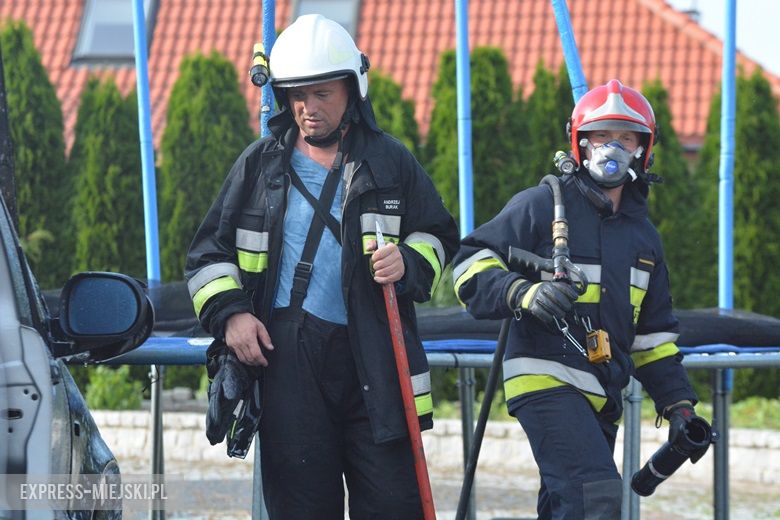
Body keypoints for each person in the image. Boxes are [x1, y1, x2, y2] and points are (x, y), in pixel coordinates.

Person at [185, 14, 459, 519]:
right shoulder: (259, 164)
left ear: (352, 91)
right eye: (298, 95)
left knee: (393, 507)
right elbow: (207, 256)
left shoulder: (390, 161)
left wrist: (410, 261)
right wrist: (232, 316)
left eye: (322, 94)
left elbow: (440, 234)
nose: (308, 109)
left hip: (374, 358)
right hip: (287, 362)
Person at [452, 79, 702, 519]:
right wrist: (521, 292)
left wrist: (678, 406)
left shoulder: (644, 240)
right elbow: (469, 265)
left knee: (567, 507)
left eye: (626, 137)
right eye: (602, 136)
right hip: (544, 379)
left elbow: (653, 339)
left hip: (602, 395)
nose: (613, 147)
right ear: (580, 144)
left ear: (644, 150)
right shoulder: (541, 206)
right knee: (596, 496)